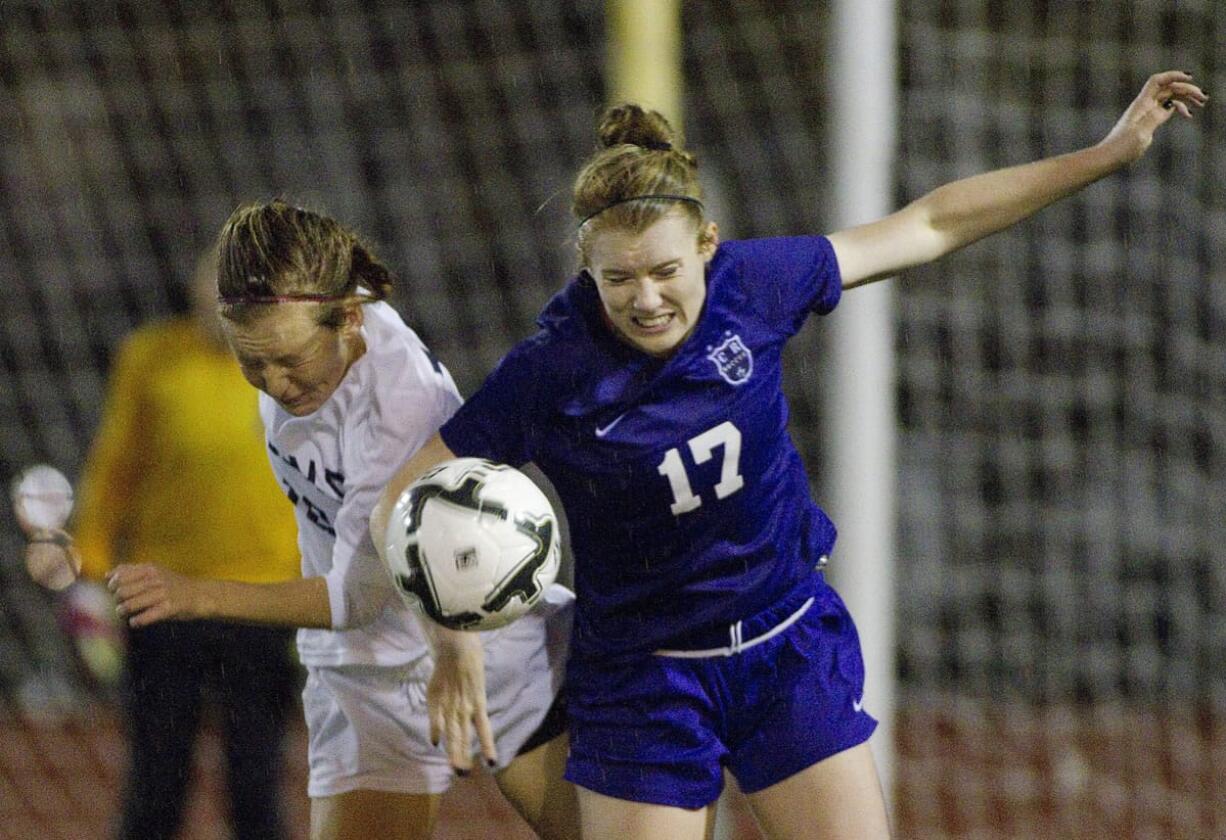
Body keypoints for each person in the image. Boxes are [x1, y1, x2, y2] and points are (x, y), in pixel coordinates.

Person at [370, 71, 1207, 840]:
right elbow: (400, 504)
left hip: (785, 649)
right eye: (617, 278)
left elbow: (932, 221)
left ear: (707, 244)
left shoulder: (757, 284)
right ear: (585, 267)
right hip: (644, 680)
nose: (646, 298)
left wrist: (1106, 154)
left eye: (665, 269)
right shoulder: (550, 369)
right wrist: (453, 635)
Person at [103, 200, 579, 840]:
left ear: (349, 320)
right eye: (252, 362)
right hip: (366, 675)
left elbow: (354, 597)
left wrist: (198, 593)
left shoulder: (394, 406)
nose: (274, 383)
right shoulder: (303, 321)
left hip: (481, 651)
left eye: (288, 361)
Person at [22, 251, 302, 840]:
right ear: (197, 286)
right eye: (216, 277)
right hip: (162, 596)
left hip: (264, 599)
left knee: (255, 787)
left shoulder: (292, 367)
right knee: (156, 781)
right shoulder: (150, 357)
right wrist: (91, 572)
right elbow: (114, 468)